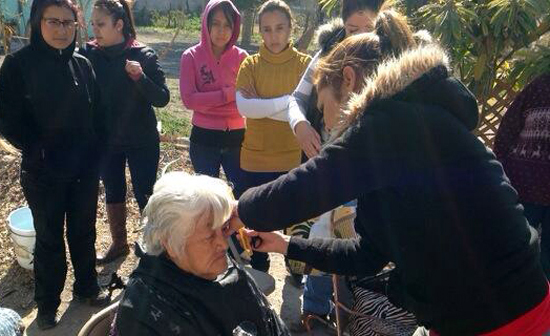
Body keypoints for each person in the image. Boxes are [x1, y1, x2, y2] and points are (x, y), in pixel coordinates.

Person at [231, 31, 550, 335]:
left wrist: (239, 209)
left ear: (348, 79)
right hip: (484, 312)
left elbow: (310, 185)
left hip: (505, 318)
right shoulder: (401, 136)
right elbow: (366, 255)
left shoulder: (395, 122)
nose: (325, 123)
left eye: (323, 106)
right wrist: (285, 244)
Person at [0, 0, 109, 330]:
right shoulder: (18, 66)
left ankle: (87, 287)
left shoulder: (82, 65)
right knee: (48, 238)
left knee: (83, 231)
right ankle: (48, 304)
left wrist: (97, 155)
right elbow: (7, 119)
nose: (62, 30)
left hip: (83, 170)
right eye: (54, 22)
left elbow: (99, 114)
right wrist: (37, 148)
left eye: (68, 23)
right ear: (37, 22)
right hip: (43, 171)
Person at [112, 172, 289, 336]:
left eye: (223, 229)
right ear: (170, 244)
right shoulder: (144, 313)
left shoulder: (220, 269)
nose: (223, 243)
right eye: (209, 236)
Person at [80, 0, 170, 264]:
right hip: (106, 141)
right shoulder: (89, 54)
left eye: (101, 24)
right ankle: (119, 243)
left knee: (145, 193)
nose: (95, 29)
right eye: (93, 23)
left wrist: (140, 78)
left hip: (141, 140)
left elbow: (163, 98)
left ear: (119, 25)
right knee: (113, 190)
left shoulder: (143, 55)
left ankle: (153, 246)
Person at [235, 0, 311, 273]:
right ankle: (258, 270)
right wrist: (290, 104)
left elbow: (307, 113)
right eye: (266, 29)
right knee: (256, 222)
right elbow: (245, 108)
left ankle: (297, 270)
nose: (273, 35)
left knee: (296, 223)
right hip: (254, 158)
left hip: (292, 157)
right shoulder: (250, 64)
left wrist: (264, 106)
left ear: (292, 28)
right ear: (259, 31)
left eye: (280, 28)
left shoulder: (306, 65)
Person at [180, 0, 248, 194]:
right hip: (203, 139)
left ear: (235, 28)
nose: (221, 30)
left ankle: (235, 227)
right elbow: (189, 100)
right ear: (206, 24)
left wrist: (206, 101)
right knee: (207, 199)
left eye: (227, 25)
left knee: (239, 194)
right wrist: (228, 94)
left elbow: (245, 101)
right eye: (216, 23)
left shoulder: (242, 57)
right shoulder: (190, 56)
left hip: (236, 138)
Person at [494, 73, 550, 278]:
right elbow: (508, 129)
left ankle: (544, 304)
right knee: (517, 246)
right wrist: (500, 167)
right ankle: (512, 298)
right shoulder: (539, 86)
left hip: (529, 182)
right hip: (526, 185)